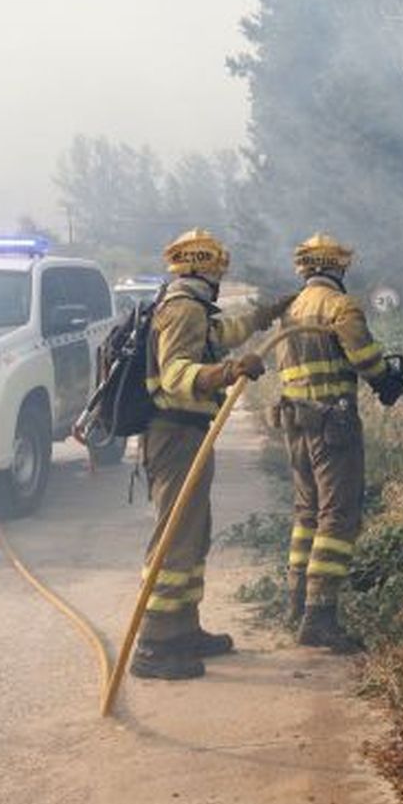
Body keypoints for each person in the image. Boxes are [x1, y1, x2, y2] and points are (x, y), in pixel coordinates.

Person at [131, 228, 293, 680]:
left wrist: (267, 314)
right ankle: (154, 645)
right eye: (219, 270)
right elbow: (176, 374)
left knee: (193, 534)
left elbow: (224, 332)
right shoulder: (183, 308)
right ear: (206, 268)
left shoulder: (192, 306)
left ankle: (183, 629)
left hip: (187, 433)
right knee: (176, 537)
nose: (222, 278)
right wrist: (229, 371)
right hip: (175, 435)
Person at [274, 233, 403, 650]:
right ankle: (319, 617)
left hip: (295, 422)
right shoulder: (340, 306)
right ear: (339, 266)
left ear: (304, 267)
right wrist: (385, 380)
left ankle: (296, 604)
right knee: (337, 517)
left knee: (307, 513)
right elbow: (364, 357)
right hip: (333, 425)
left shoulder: (292, 308)